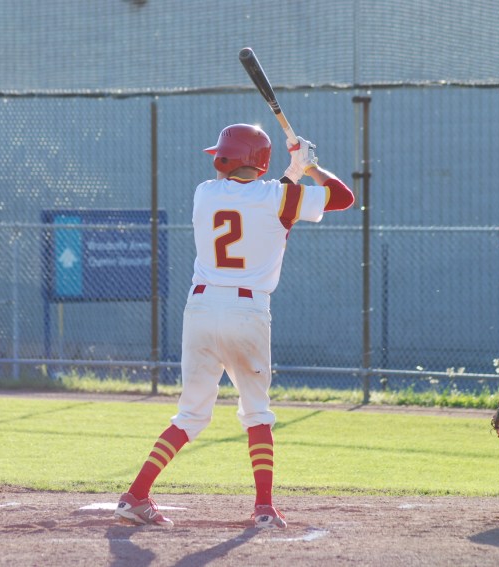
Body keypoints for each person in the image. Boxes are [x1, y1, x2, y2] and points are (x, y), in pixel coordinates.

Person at [113, 123, 354, 528]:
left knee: (190, 414)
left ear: (228, 159)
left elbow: (257, 200)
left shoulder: (205, 192)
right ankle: (264, 507)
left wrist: (293, 171)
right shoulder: (279, 198)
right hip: (247, 312)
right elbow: (343, 198)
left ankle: (135, 495)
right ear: (260, 162)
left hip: (201, 308)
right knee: (257, 413)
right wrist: (310, 166)